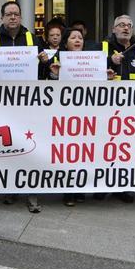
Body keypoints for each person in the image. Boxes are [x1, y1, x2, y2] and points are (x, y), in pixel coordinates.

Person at [0, 1, 49, 213]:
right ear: (2, 17)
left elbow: (42, 73)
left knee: (30, 147)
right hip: (2, 103)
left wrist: (45, 62)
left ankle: (32, 193)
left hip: (27, 102)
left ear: (20, 17)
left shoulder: (32, 38)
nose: (12, 18)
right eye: (8, 14)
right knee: (9, 147)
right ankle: (11, 189)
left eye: (16, 14)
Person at [48, 27, 114, 207]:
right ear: (65, 42)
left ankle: (80, 189)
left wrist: (106, 77)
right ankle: (68, 191)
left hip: (88, 114)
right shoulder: (57, 59)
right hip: (66, 114)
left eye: (80, 38)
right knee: (69, 154)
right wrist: (54, 74)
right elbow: (46, 84)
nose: (78, 40)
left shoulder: (93, 60)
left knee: (85, 153)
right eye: (73, 37)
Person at [99, 14, 135, 204]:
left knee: (125, 149)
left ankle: (122, 186)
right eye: (121, 25)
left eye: (129, 25)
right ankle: (101, 185)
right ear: (113, 29)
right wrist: (108, 61)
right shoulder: (103, 47)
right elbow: (89, 70)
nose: (125, 28)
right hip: (107, 108)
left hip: (132, 111)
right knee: (104, 148)